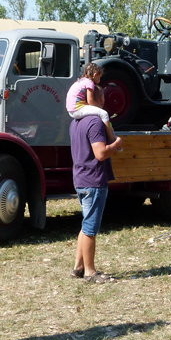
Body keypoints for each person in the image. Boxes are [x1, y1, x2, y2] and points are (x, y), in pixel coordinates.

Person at [70, 101, 122, 283]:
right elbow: (100, 153)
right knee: (91, 228)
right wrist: (115, 145)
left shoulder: (76, 121)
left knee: (86, 225)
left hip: (80, 178)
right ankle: (90, 272)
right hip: (93, 180)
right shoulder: (94, 121)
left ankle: (78, 266)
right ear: (96, 100)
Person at [66, 63, 119, 144]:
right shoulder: (89, 82)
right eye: (99, 77)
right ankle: (112, 139)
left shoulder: (80, 81)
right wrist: (100, 108)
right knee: (104, 113)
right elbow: (90, 100)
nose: (100, 80)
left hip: (72, 109)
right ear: (95, 74)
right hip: (77, 108)